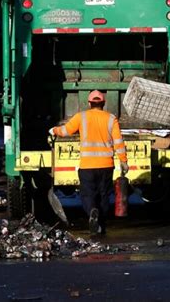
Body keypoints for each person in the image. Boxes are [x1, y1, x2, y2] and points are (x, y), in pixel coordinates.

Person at [49, 90, 128, 235]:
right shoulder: (111, 119)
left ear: (89, 103)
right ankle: (101, 225)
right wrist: (123, 161)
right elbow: (118, 142)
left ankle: (92, 211)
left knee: (88, 195)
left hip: (87, 166)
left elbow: (66, 131)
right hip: (106, 166)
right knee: (104, 195)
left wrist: (54, 130)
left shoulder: (81, 117)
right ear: (103, 103)